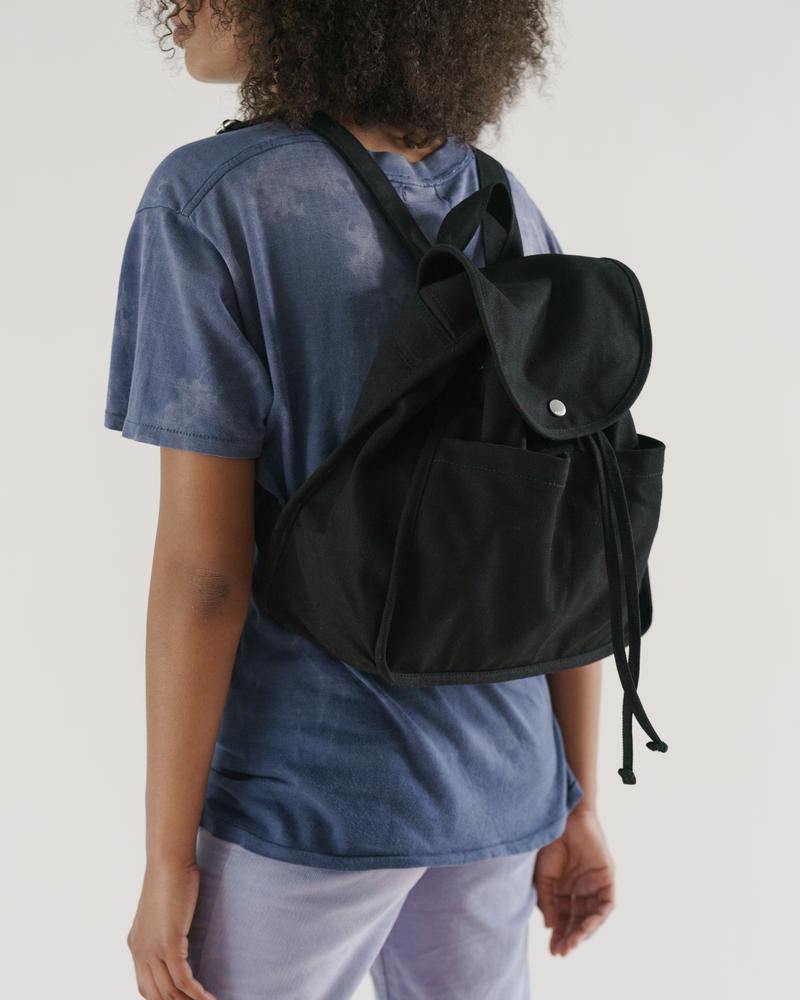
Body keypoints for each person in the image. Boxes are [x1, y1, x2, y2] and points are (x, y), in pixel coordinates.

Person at [105, 2, 615, 998]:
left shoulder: (212, 201)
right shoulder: (500, 201)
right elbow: (564, 536)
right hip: (502, 789)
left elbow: (207, 576)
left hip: (308, 800)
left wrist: (167, 860)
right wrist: (577, 799)